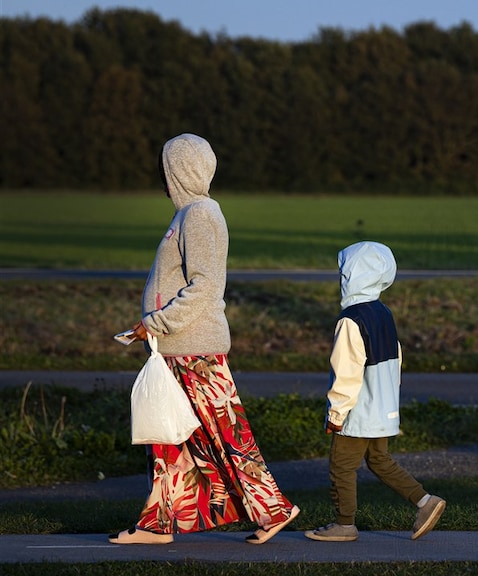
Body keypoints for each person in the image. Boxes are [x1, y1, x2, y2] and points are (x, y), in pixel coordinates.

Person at [110, 133, 299, 545]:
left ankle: (274, 510)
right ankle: (158, 524)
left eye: (166, 169)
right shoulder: (187, 215)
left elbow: (205, 287)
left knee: (226, 435)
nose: (162, 177)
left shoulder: (199, 215)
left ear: (180, 171)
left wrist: (156, 322)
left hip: (196, 348)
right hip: (175, 348)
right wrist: (156, 328)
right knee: (169, 437)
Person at [305, 241, 446, 543]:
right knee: (380, 460)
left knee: (341, 466)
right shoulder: (384, 313)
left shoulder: (350, 320)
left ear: (353, 276)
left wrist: (336, 413)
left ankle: (344, 524)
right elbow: (396, 360)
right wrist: (390, 402)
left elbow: (346, 372)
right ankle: (426, 502)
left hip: (357, 410)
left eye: (344, 273)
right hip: (382, 406)